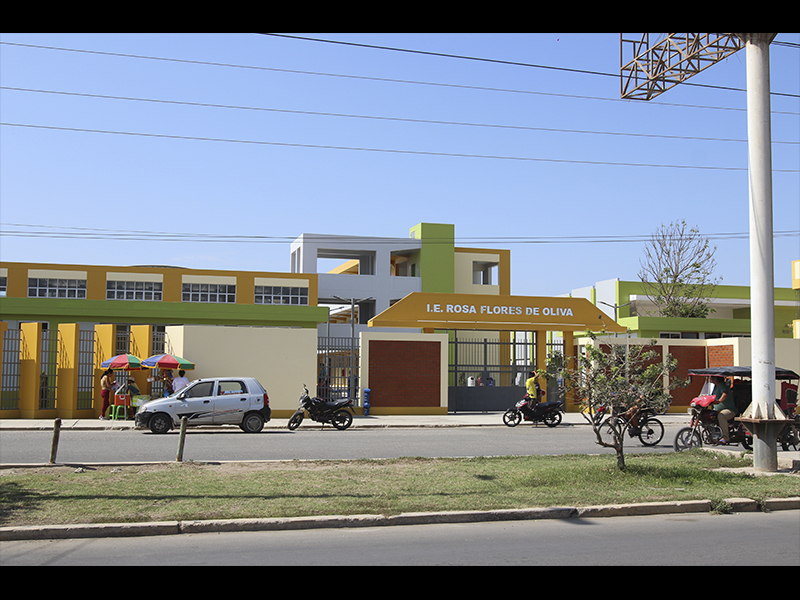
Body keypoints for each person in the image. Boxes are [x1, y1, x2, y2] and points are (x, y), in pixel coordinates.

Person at [711, 376, 736, 444]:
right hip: (717, 410)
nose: (711, 378)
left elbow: (725, 393)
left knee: (721, 416)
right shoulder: (715, 387)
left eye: (713, 377)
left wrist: (719, 401)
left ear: (717, 379)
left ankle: (726, 437)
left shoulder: (722, 385)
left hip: (729, 410)